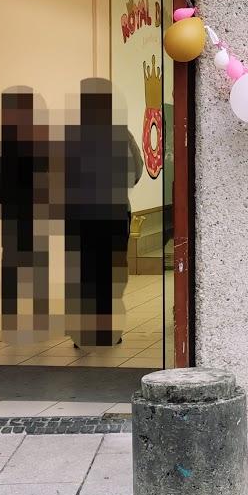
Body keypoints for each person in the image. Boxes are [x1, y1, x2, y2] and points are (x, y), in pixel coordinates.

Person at [59, 78, 143, 348]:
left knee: (82, 271)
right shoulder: (122, 135)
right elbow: (137, 172)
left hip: (78, 215)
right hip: (113, 213)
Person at [0, 88, 52, 334]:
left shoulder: (3, 140)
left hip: (16, 211)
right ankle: (34, 316)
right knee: (31, 264)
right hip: (29, 210)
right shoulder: (30, 141)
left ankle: (14, 317)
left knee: (15, 263)